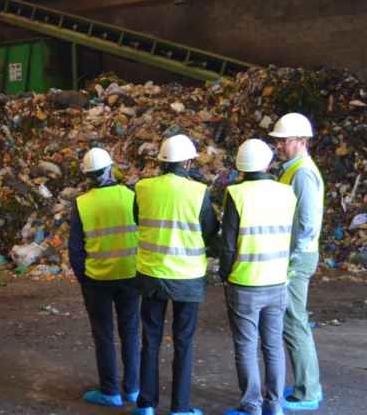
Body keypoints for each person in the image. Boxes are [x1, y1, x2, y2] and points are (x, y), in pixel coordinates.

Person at [131, 135, 218, 415]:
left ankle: (146, 404)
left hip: (151, 274)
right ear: (189, 162)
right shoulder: (198, 192)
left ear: (161, 162)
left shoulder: (142, 188)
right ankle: (180, 407)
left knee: (150, 339)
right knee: (183, 341)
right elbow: (209, 230)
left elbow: (137, 219)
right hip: (187, 278)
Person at [219, 139, 297, 415]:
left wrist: (224, 274)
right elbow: (294, 236)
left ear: (240, 166)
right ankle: (274, 406)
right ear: (267, 162)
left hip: (245, 282)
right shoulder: (286, 192)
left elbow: (227, 244)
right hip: (277, 280)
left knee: (246, 345)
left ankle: (251, 404)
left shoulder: (236, 194)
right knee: (273, 345)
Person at [68, 148, 140, 408]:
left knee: (104, 334)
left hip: (97, 279)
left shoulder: (81, 203)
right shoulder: (131, 196)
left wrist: (84, 278)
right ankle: (132, 389)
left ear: (87, 175)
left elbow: (75, 249)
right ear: (111, 168)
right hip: (130, 275)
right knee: (130, 332)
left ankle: (110, 391)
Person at [268, 112, 325, 411]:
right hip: (294, 255)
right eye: (277, 141)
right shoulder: (292, 169)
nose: (278, 146)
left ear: (301, 141)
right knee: (293, 321)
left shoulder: (302, 172)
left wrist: (291, 261)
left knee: (294, 322)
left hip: (297, 257)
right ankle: (307, 385)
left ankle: (307, 392)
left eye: (284, 141)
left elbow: (307, 223)